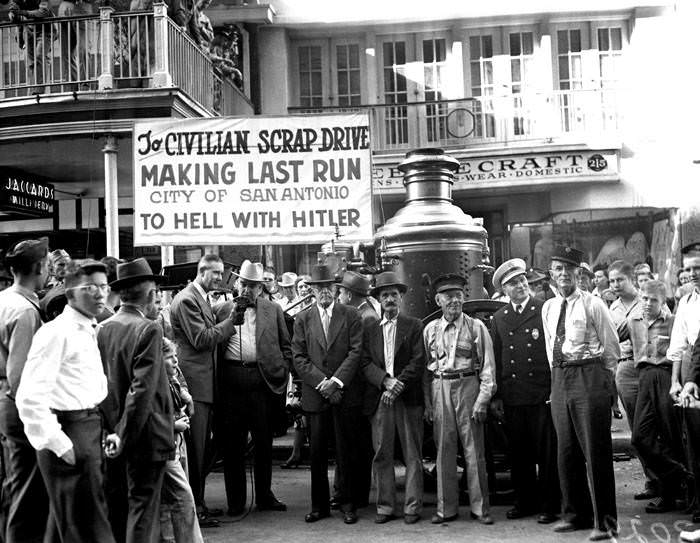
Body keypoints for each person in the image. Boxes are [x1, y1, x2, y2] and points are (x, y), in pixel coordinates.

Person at [16, 259, 115, 543]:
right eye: (90, 287)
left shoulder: (87, 329)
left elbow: (91, 388)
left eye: (103, 286)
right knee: (85, 530)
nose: (99, 294)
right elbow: (30, 396)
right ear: (71, 292)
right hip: (68, 433)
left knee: (68, 528)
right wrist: (59, 443)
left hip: (88, 429)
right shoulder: (56, 333)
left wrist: (104, 430)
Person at [542, 245, 620, 541]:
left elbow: (611, 348)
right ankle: (575, 514)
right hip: (561, 378)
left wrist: (603, 382)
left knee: (595, 451)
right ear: (552, 274)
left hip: (590, 375)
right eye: (558, 269)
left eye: (569, 269)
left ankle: (606, 522)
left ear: (580, 273)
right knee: (566, 452)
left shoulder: (593, 304)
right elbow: (551, 346)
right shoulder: (548, 307)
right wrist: (557, 381)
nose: (563, 274)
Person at [98, 258, 174, 543]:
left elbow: (100, 387)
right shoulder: (148, 329)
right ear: (151, 295)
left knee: (118, 511)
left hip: (111, 435)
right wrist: (124, 435)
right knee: (143, 512)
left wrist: (112, 434)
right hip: (143, 438)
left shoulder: (103, 327)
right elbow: (141, 391)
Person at [214, 260, 290, 516]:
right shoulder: (222, 309)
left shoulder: (273, 310)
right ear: (237, 284)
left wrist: (282, 369)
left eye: (253, 286)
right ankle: (236, 501)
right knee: (233, 444)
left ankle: (265, 496)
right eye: (244, 284)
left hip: (262, 381)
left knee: (263, 442)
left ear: (261, 288)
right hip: (232, 380)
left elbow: (285, 345)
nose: (247, 290)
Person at [292, 264, 364, 525]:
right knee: (317, 454)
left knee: (346, 452)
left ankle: (347, 504)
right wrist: (322, 382)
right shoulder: (303, 318)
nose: (324, 291)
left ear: (336, 289)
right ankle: (319, 506)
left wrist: (336, 382)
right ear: (312, 290)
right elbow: (298, 356)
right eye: (318, 287)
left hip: (343, 394)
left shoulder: (351, 315)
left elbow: (356, 352)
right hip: (316, 395)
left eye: (328, 286)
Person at [490, 259, 560, 525]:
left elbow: (554, 350)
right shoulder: (500, 318)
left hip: (541, 393)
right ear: (504, 290)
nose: (519, 286)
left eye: (521, 281)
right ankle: (524, 502)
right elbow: (496, 357)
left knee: (546, 453)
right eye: (512, 284)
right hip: (513, 395)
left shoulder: (544, 309)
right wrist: (497, 395)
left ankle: (550, 504)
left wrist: (555, 388)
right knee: (519, 453)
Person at [169, 254, 237, 527]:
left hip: (204, 385)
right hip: (196, 386)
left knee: (204, 450)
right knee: (196, 452)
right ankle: (195, 508)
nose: (220, 279)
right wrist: (232, 324)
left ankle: (199, 503)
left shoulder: (200, 298)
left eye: (222, 274)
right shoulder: (187, 299)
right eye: (217, 274)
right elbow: (201, 339)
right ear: (202, 272)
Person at [423, 273, 496, 526]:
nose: (454, 300)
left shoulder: (477, 327)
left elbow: (488, 368)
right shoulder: (430, 330)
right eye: (448, 296)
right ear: (438, 300)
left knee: (474, 452)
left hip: (468, 387)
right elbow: (425, 370)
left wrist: (482, 400)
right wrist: (429, 403)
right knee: (444, 450)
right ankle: (446, 510)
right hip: (440, 386)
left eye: (458, 296)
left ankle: (480, 509)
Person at [360, 271, 425, 525]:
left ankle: (412, 506)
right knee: (382, 454)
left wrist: (399, 384)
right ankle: (386, 506)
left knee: (412, 454)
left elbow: (419, 360)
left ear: (401, 298)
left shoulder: (414, 325)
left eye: (394, 295)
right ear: (378, 299)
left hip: (407, 398)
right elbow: (364, 362)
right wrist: (385, 381)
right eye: (385, 295)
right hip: (381, 398)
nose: (389, 299)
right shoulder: (370, 329)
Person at [0, 238, 50, 542]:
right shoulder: (26, 310)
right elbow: (20, 376)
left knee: (11, 480)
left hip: (3, 399)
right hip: (16, 404)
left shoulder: (4, 300)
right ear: (39, 267)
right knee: (28, 487)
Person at [628, 280, 689, 514]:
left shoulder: (673, 322)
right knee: (640, 438)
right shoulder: (633, 321)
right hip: (643, 377)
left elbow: (681, 352)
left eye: (653, 299)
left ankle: (671, 496)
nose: (647, 303)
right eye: (644, 298)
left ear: (663, 302)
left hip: (666, 377)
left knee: (671, 436)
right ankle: (680, 473)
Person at [607, 260, 655, 499]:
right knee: (638, 430)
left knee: (657, 425)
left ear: (631, 279)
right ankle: (653, 480)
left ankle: (670, 480)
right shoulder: (611, 308)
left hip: (650, 366)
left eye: (619, 280)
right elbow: (613, 338)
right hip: (625, 369)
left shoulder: (647, 299)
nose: (615, 285)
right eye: (611, 281)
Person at [159, 338, 203, 543]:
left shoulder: (172, 379)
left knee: (171, 501)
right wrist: (173, 425)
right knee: (184, 499)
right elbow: (150, 416)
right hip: (165, 445)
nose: (176, 362)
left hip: (177, 443)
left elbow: (180, 384)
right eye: (170, 358)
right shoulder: (155, 385)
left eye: (176, 357)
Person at [670, 245, 700, 524]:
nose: (692, 274)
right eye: (689, 269)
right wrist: (676, 381)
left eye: (697, 268)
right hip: (692, 369)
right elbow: (679, 343)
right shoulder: (686, 302)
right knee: (694, 438)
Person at [7, 0, 52, 94]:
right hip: (29, 32)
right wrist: (13, 14)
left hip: (45, 31)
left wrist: (23, 12)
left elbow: (43, 12)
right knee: (30, 63)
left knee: (39, 56)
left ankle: (39, 91)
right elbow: (15, 17)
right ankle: (33, 91)